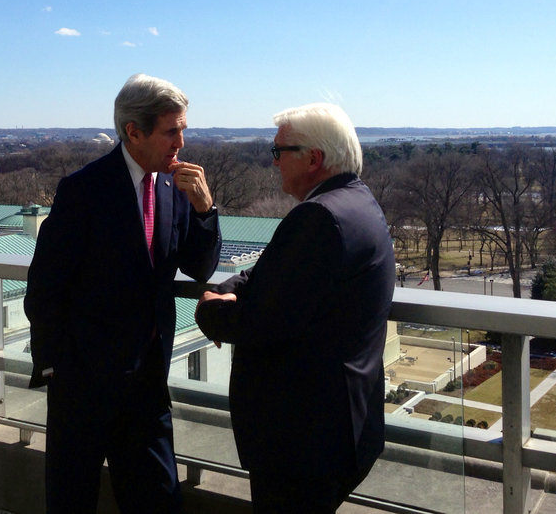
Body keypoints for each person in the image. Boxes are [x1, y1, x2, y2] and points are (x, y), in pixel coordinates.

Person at [25, 73, 222, 514]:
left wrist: (206, 210)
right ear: (134, 131)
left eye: (183, 129)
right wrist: (57, 367)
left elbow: (200, 266)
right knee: (72, 499)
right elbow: (44, 288)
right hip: (84, 384)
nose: (181, 143)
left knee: (158, 499)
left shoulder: (174, 186)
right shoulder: (83, 190)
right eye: (172, 131)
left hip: (147, 384)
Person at [195, 103, 394, 513]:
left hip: (302, 441)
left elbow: (265, 321)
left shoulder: (318, 218)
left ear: (314, 159)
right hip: (339, 425)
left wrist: (209, 312)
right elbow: (272, 276)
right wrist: (230, 286)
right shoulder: (355, 203)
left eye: (279, 152)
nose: (274, 162)